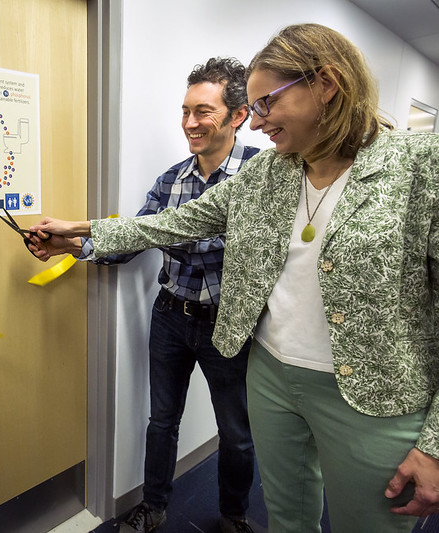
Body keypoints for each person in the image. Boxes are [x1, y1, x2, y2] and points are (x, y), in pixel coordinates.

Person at [29, 23, 439, 533]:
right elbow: (169, 222)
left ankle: (232, 515)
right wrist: (79, 230)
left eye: (266, 104)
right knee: (287, 514)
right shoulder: (267, 173)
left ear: (327, 85)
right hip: (269, 371)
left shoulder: (422, 166)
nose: (261, 121)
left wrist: (435, 443)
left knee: (367, 520)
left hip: (373, 393)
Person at [50, 57, 259, 533]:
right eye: (185, 111)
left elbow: (266, 254)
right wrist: (72, 246)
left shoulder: (263, 177)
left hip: (230, 324)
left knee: (237, 434)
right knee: (161, 421)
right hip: (171, 316)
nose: (190, 123)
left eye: (203, 111)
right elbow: (135, 236)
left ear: (238, 114)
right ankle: (155, 506)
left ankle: (233, 517)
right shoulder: (171, 180)